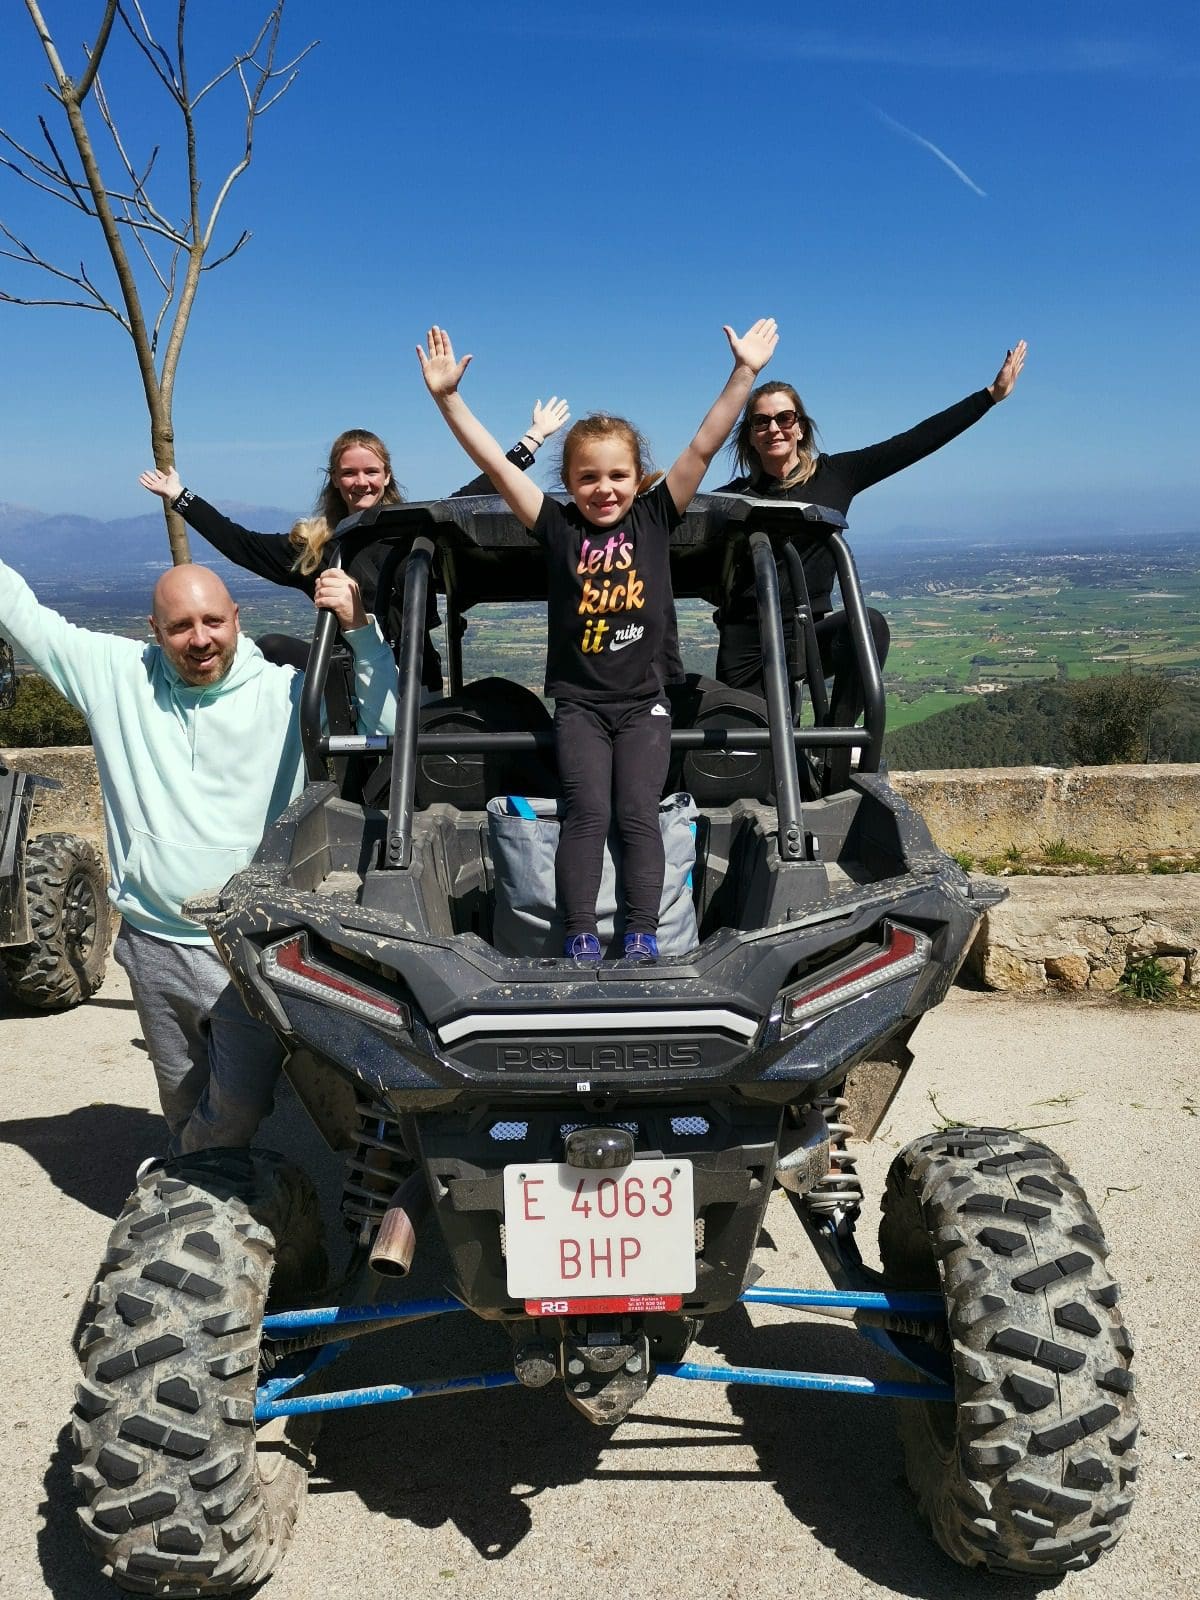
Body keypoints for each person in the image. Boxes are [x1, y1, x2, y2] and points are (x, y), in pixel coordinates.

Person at [0, 555, 397, 1158]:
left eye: (213, 620)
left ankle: (187, 1197)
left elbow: (386, 722)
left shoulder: (287, 693)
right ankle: (205, 1191)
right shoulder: (116, 676)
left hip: (249, 940)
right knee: (183, 1093)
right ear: (153, 630)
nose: (200, 638)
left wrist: (361, 630)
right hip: (153, 938)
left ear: (236, 619)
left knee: (237, 1104)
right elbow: (21, 614)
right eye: (180, 626)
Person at [417, 319, 778, 964]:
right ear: (569, 483)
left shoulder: (654, 515)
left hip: (646, 701)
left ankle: (642, 933)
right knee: (584, 817)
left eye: (617, 475)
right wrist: (449, 400)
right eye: (587, 478)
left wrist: (744, 374)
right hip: (580, 704)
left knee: (638, 815)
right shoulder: (555, 527)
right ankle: (579, 935)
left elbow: (703, 443)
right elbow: (495, 465)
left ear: (638, 478)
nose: (603, 489)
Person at [138, 400, 571, 692]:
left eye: (370, 471)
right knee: (268, 647)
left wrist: (534, 437)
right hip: (347, 678)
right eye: (349, 473)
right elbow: (241, 543)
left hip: (414, 675)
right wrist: (182, 497)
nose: (360, 481)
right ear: (335, 478)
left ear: (386, 476)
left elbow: (487, 484)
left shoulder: (415, 526)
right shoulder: (316, 546)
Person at [711, 341, 1028, 721]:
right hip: (746, 640)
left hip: (808, 631)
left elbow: (913, 443)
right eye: (761, 421)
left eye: (784, 418)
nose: (774, 428)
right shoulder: (731, 500)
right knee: (750, 750)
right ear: (749, 435)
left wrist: (989, 397)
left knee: (869, 627)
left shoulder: (836, 476)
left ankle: (837, 748)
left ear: (800, 427)